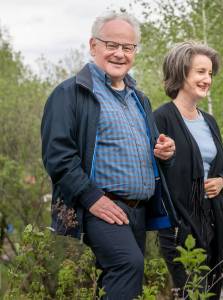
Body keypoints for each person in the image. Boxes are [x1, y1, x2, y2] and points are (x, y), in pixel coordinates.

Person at [41, 12, 177, 300]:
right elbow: (57, 155)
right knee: (128, 265)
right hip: (101, 205)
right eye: (111, 45)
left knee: (126, 282)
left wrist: (164, 153)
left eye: (128, 48)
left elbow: (151, 150)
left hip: (139, 210)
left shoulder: (139, 99)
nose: (119, 53)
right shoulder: (71, 93)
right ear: (93, 46)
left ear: (135, 52)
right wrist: (91, 198)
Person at [154, 41, 223, 299]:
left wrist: (222, 182)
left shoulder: (209, 121)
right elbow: (155, 174)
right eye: (200, 72)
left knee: (216, 294)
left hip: (215, 223)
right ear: (181, 73)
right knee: (189, 294)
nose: (207, 79)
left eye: (210, 73)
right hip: (179, 227)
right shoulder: (161, 118)